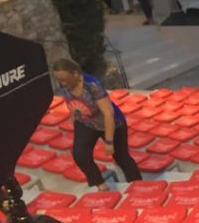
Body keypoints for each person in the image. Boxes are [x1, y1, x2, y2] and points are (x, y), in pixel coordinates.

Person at [52, 58, 143, 190]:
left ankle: (139, 186)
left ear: (75, 73)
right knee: (79, 154)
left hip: (110, 122)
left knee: (121, 156)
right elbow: (71, 103)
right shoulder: (64, 85)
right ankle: (100, 185)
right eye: (59, 79)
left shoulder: (92, 86)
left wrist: (109, 141)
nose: (62, 83)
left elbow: (108, 113)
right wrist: (74, 119)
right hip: (86, 122)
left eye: (65, 79)